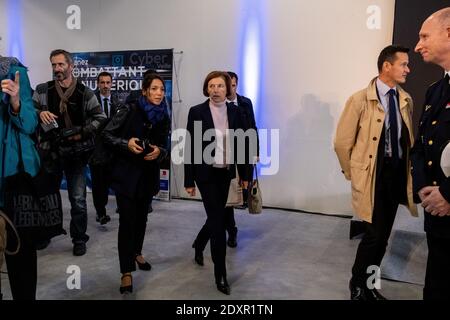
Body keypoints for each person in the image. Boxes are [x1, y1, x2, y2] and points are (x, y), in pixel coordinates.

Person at [334, 45, 417, 300]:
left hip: (395, 177)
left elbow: (406, 140)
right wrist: (354, 174)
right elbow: (341, 143)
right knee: (373, 236)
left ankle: (369, 286)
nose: (408, 69)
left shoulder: (405, 99)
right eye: (403, 64)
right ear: (386, 66)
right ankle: (357, 285)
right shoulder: (359, 99)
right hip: (372, 177)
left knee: (382, 238)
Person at [33, 49, 106, 256]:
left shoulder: (85, 92)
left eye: (60, 65)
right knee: (46, 197)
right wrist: (40, 113)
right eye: (54, 65)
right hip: (49, 153)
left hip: (76, 154)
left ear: (71, 66)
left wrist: (80, 132)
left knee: (78, 200)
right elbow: (28, 110)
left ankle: (79, 238)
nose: (57, 69)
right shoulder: (42, 89)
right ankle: (46, 234)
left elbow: (100, 118)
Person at [102, 73, 170, 294]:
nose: (159, 93)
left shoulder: (163, 115)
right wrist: (126, 143)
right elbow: (106, 135)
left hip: (148, 176)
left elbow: (165, 146)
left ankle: (137, 252)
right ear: (144, 91)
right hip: (126, 176)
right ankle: (126, 272)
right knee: (127, 222)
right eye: (154, 89)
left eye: (162, 89)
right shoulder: (129, 109)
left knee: (142, 219)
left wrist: (160, 151)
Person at [185, 71, 250, 295]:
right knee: (217, 221)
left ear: (228, 89)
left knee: (218, 218)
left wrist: (246, 174)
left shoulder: (236, 111)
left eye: (220, 86)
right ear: (207, 89)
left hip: (228, 174)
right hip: (206, 176)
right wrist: (188, 179)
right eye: (211, 86)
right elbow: (190, 147)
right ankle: (220, 275)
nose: (215, 90)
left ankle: (198, 244)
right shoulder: (196, 112)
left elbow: (244, 144)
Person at [411, 7, 450, 300]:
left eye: (425, 36)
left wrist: (448, 194)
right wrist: (426, 188)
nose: (418, 45)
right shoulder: (436, 90)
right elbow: (421, 145)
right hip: (436, 213)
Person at [0, 55, 41, 299]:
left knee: (20, 254)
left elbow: (30, 123)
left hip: (13, 177)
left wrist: (15, 101)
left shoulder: (14, 72)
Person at [225, 71, 259, 248]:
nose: (231, 87)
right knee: (227, 197)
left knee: (242, 193)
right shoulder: (217, 105)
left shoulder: (245, 103)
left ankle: (230, 229)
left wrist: (256, 151)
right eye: (228, 84)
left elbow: (253, 127)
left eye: (233, 84)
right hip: (224, 156)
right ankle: (231, 231)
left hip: (244, 154)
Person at [89, 71, 121, 225]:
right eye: (102, 82)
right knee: (98, 184)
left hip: (114, 151)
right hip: (96, 150)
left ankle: (119, 207)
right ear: (98, 84)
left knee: (113, 181)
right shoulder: (91, 101)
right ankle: (100, 212)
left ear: (112, 83)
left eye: (108, 82)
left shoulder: (118, 102)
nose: (105, 86)